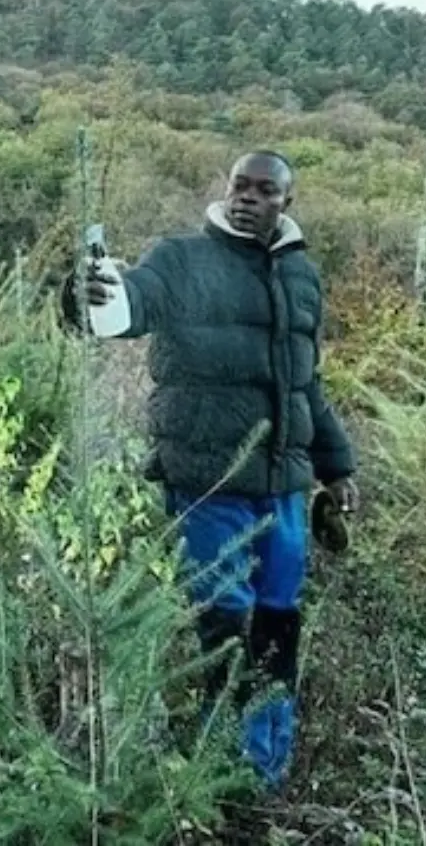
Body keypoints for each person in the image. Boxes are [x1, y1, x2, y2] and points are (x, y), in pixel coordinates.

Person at [60, 150, 359, 792]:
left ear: (287, 201)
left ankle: (267, 773)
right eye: (239, 186)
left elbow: (308, 384)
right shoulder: (182, 259)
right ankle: (223, 769)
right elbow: (127, 303)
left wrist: (335, 467)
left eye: (265, 190)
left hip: (283, 484)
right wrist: (89, 294)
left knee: (278, 622)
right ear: (226, 191)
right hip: (208, 477)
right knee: (226, 622)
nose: (248, 197)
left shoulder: (302, 276)